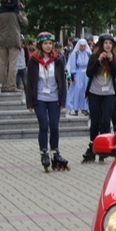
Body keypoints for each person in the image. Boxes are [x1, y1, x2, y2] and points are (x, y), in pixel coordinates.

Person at [26, 32, 69, 172]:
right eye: (45, 43)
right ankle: (44, 153)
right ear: (40, 45)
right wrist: (30, 102)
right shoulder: (34, 61)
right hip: (39, 98)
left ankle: (55, 152)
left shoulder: (58, 60)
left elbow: (62, 81)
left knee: (55, 127)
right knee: (44, 125)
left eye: (50, 43)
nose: (48, 46)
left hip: (54, 98)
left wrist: (63, 100)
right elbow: (30, 82)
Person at [82, 33, 116, 163]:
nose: (108, 45)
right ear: (101, 45)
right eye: (106, 43)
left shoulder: (115, 58)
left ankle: (104, 149)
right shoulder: (93, 57)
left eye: (110, 43)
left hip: (109, 94)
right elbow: (89, 73)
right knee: (95, 121)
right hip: (95, 93)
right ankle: (92, 147)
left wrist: (110, 61)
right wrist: (99, 61)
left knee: (105, 121)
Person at [0, 0, 28, 92]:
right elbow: (25, 22)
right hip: (13, 39)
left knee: (2, 64)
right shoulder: (16, 11)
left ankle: (3, 85)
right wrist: (21, 9)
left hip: (1, 39)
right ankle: (11, 86)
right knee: (13, 64)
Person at [65, 38, 91, 116]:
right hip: (78, 74)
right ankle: (74, 108)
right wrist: (73, 77)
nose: (82, 48)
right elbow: (73, 65)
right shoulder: (75, 54)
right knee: (77, 90)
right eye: (81, 46)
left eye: (84, 46)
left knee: (86, 90)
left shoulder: (88, 54)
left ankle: (86, 108)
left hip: (86, 74)